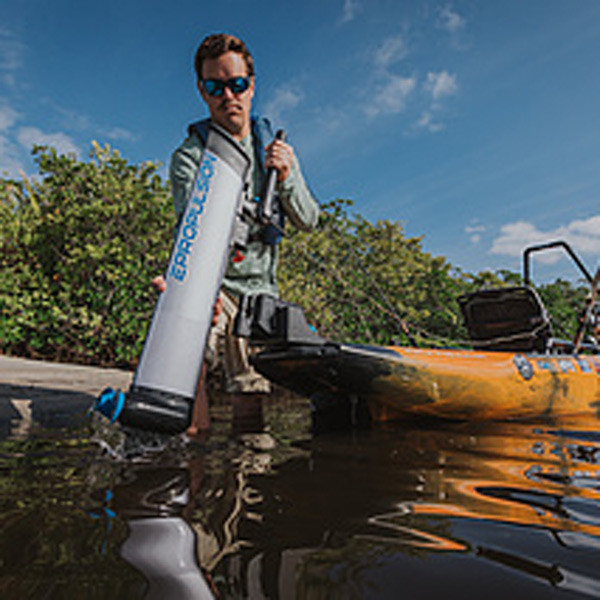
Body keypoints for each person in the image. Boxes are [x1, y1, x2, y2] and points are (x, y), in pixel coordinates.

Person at [154, 33, 319, 434]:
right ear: (202, 91)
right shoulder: (188, 159)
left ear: (252, 85)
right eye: (215, 87)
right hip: (212, 287)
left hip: (260, 295)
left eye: (237, 84)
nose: (228, 96)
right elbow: (191, 232)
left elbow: (308, 219)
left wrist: (286, 176)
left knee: (250, 402)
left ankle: (247, 470)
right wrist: (188, 290)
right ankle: (189, 458)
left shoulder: (278, 151)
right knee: (188, 367)